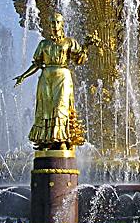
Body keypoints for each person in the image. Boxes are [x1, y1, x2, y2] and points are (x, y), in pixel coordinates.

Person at [15, 12, 94, 150]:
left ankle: (62, 140)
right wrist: (23, 76)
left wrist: (86, 46)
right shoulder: (44, 44)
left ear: (62, 24)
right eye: (52, 22)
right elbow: (37, 64)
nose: (55, 25)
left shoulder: (69, 42)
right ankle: (47, 140)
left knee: (60, 107)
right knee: (45, 110)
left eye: (57, 22)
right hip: (46, 78)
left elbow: (79, 60)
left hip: (62, 77)